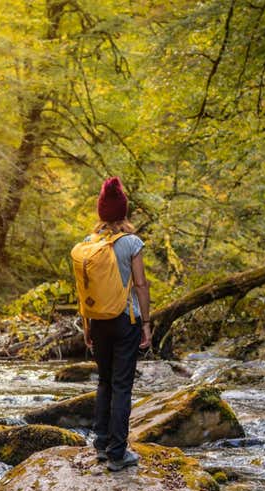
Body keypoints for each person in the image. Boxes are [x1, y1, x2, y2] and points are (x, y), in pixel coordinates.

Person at [82, 177, 151, 472]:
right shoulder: (132, 243)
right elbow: (140, 284)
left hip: (97, 321)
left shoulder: (88, 244)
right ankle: (118, 453)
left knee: (104, 382)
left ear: (101, 213)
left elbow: (84, 290)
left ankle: (100, 444)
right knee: (122, 386)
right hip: (126, 320)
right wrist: (146, 323)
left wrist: (86, 325)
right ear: (123, 213)